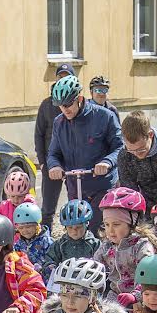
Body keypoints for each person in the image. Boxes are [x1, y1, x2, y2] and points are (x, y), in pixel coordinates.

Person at [46, 76, 124, 222]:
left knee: (98, 231)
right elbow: (53, 153)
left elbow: (120, 146)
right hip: (75, 187)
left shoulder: (105, 116)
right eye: (60, 105)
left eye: (68, 104)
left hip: (102, 187)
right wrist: (54, 165)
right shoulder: (59, 122)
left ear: (80, 99)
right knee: (75, 231)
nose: (65, 109)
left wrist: (107, 162)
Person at [93, 186, 156, 298]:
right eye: (106, 224)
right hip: (114, 295)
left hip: (141, 298)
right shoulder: (107, 246)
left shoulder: (141, 246)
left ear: (132, 223)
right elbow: (95, 265)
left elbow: (147, 275)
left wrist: (135, 296)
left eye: (116, 224)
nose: (110, 230)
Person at [34, 64, 76, 219]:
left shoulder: (78, 103)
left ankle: (75, 235)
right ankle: (47, 237)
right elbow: (39, 134)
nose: (63, 79)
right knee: (48, 207)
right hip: (52, 161)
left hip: (73, 161)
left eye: (67, 76)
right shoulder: (46, 104)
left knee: (76, 203)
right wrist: (42, 161)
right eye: (60, 76)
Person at [49, 200, 100, 266]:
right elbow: (49, 258)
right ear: (65, 227)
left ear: (86, 224)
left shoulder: (94, 244)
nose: (74, 231)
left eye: (78, 227)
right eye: (70, 228)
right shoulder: (60, 244)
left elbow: (102, 263)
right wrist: (50, 267)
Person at [12, 203, 55, 278]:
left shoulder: (47, 242)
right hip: (26, 278)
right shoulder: (19, 244)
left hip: (44, 278)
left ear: (37, 225)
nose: (25, 230)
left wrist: (43, 268)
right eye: (21, 228)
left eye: (28, 227)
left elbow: (53, 260)